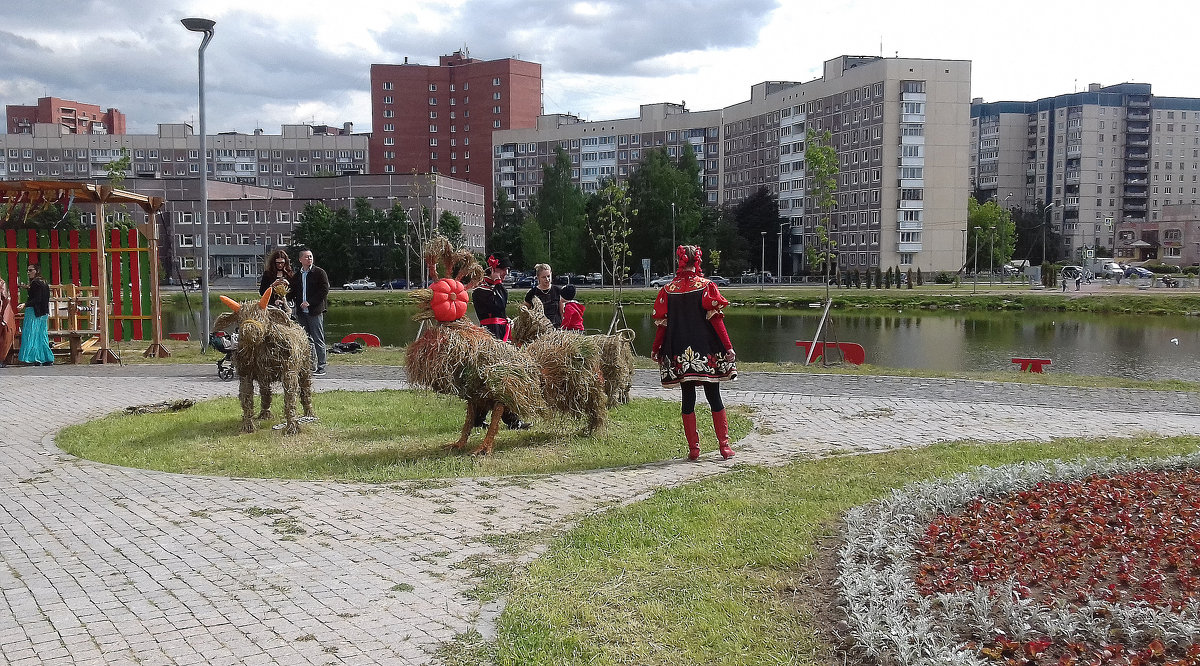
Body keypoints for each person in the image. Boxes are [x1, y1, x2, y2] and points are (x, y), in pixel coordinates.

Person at [651, 245, 738, 461]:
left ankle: (694, 449)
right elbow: (716, 321)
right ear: (697, 260)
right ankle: (724, 446)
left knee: (687, 399)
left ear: (679, 261)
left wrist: (655, 349)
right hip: (706, 350)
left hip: (680, 351)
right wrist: (728, 347)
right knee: (714, 397)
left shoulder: (668, 290)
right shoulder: (706, 287)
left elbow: (662, 325)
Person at [471, 252, 530, 429]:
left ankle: (509, 419)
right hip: (491, 335)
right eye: (503, 270)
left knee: (503, 376)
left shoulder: (495, 288)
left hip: (502, 332)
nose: (506, 274)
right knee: (492, 378)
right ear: (494, 269)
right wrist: (496, 283)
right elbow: (498, 305)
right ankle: (480, 419)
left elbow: (501, 305)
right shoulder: (480, 290)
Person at [289, 247, 329, 376]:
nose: (309, 259)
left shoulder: (319, 272)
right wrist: (283, 298)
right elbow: (293, 291)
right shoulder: (298, 275)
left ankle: (321, 366)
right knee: (305, 339)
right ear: (300, 259)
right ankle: (309, 364)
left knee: (318, 339)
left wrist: (310, 302)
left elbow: (324, 291)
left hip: (314, 311)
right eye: (306, 257)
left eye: (310, 256)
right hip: (302, 312)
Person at [17, 264, 54, 367]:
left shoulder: (35, 283)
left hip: (34, 312)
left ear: (36, 270)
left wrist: (25, 304)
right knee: (41, 335)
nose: (28, 272)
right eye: (28, 270)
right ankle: (46, 358)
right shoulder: (44, 282)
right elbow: (43, 297)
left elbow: (37, 299)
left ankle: (32, 358)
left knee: (31, 334)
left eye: (30, 270)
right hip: (43, 312)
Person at [524, 263, 564, 328]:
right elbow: (524, 311)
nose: (547, 279)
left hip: (556, 328)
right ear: (538, 278)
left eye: (548, 276)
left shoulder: (558, 290)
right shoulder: (532, 292)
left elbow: (562, 312)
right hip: (540, 329)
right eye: (543, 277)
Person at [258, 249, 293, 314]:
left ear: (286, 262)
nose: (280, 265)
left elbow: (294, 292)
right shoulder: (268, 274)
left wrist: (288, 285)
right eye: (277, 263)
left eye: (282, 263)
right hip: (271, 306)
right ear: (274, 263)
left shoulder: (289, 274)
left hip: (286, 306)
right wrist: (272, 285)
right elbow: (262, 292)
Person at [0, 275, 13, 367]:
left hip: (1, 315)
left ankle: (1, 359)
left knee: (3, 338)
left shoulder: (1, 283)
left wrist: (4, 317)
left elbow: (6, 299)